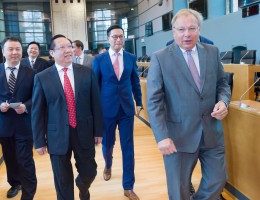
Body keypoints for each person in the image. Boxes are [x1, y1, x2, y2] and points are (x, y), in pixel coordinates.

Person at [146, 9, 231, 200]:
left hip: (211, 132)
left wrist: (223, 102)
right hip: (177, 137)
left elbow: (222, 84)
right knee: (179, 191)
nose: (187, 34)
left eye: (192, 28)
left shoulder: (212, 52)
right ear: (173, 31)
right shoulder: (160, 58)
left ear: (199, 29)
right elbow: (154, 101)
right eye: (181, 29)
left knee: (218, 180)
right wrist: (161, 137)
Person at [32, 34, 104, 200]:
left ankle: (82, 186)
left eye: (70, 46)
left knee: (89, 172)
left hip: (84, 131)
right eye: (62, 47)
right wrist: (39, 141)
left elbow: (96, 104)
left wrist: (98, 131)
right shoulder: (42, 77)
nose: (68, 50)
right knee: (63, 182)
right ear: (52, 52)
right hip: (57, 135)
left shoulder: (86, 73)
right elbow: (37, 112)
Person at [0, 37, 37, 199]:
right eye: (10, 49)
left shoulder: (32, 74)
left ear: (22, 51)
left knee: (25, 160)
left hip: (25, 124)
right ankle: (15, 183)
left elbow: (37, 97)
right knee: (10, 158)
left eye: (17, 49)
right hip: (3, 124)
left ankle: (28, 193)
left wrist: (26, 106)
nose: (14, 52)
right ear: (3, 52)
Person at [93, 24, 142, 200]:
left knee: (128, 148)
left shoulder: (130, 57)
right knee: (108, 144)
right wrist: (95, 110)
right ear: (108, 39)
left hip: (126, 109)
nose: (118, 39)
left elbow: (135, 81)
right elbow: (95, 87)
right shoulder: (99, 60)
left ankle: (128, 186)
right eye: (114, 37)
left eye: (121, 36)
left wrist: (139, 101)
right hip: (106, 109)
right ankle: (108, 164)